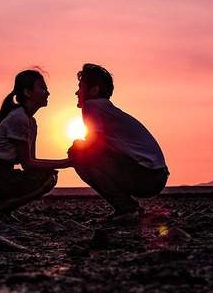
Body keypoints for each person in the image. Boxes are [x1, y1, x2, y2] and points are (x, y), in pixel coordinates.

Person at [68, 63, 169, 221]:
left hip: (148, 176)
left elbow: (92, 149)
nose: (76, 92)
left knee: (77, 151)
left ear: (94, 90)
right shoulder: (105, 109)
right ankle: (128, 208)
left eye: (80, 87)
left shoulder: (92, 106)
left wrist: (69, 161)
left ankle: (126, 209)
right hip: (156, 175)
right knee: (81, 150)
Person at [0, 69, 71, 224]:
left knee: (48, 175)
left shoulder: (31, 122)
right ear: (28, 92)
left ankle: (2, 210)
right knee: (48, 177)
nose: (48, 93)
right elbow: (28, 163)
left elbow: (31, 162)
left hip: (0, 177)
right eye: (42, 88)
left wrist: (64, 163)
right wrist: (67, 162)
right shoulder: (19, 118)